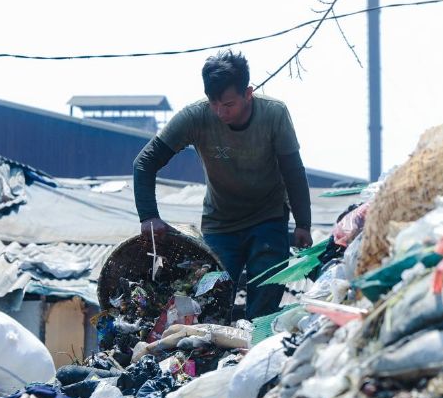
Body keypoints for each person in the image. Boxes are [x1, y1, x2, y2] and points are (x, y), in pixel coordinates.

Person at [133, 50, 312, 320]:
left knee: (263, 306)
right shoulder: (195, 117)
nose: (220, 112)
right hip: (220, 224)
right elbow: (144, 162)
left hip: (269, 219)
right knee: (210, 304)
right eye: (213, 103)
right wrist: (148, 215)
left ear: (248, 93)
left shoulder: (274, 115)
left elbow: (293, 171)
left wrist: (303, 223)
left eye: (228, 104)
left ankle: (256, 355)